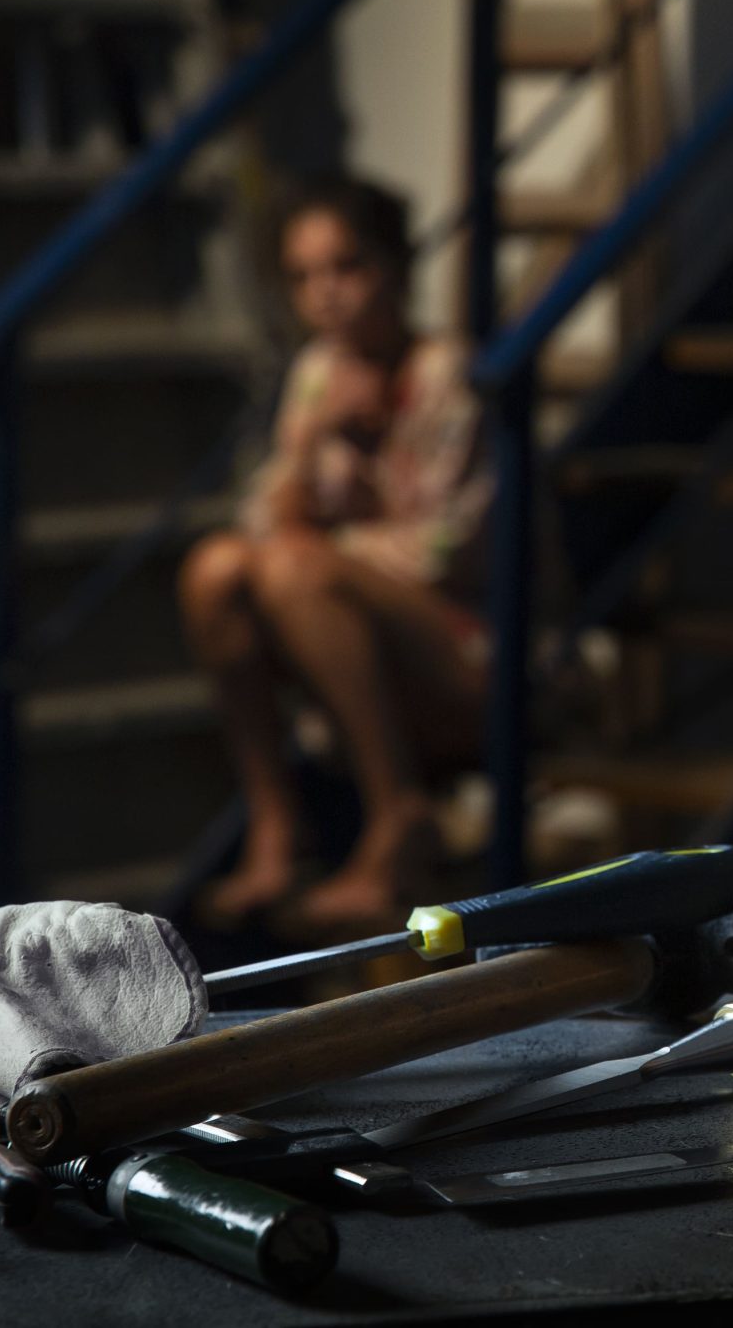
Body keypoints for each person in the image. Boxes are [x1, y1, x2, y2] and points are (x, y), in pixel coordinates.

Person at [178, 177, 491, 934]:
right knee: (214, 569)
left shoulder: (453, 375)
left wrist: (321, 545)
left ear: (394, 267)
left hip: (464, 644)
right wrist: (313, 438)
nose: (326, 295)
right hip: (343, 626)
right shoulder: (318, 373)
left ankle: (396, 812)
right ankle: (276, 821)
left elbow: (447, 546)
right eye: (303, 276)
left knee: (291, 565)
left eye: (347, 267)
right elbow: (263, 521)